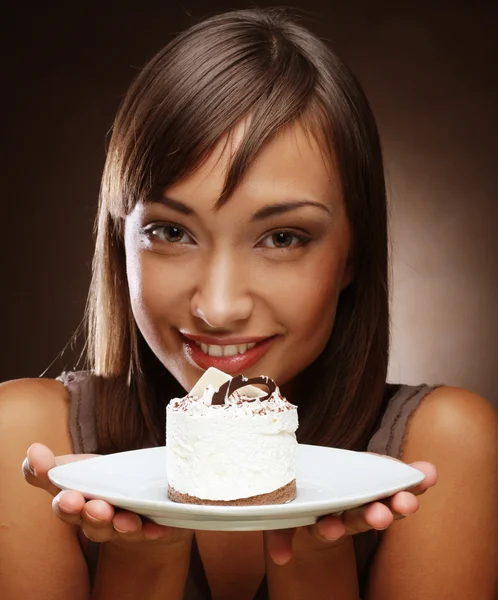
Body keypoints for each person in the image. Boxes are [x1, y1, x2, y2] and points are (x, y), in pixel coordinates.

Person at [1, 7, 496, 600]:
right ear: (119, 239)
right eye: (171, 232)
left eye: (283, 238)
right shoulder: (24, 439)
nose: (219, 307)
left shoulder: (443, 447)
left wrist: (314, 563)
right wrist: (142, 560)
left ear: (353, 254)